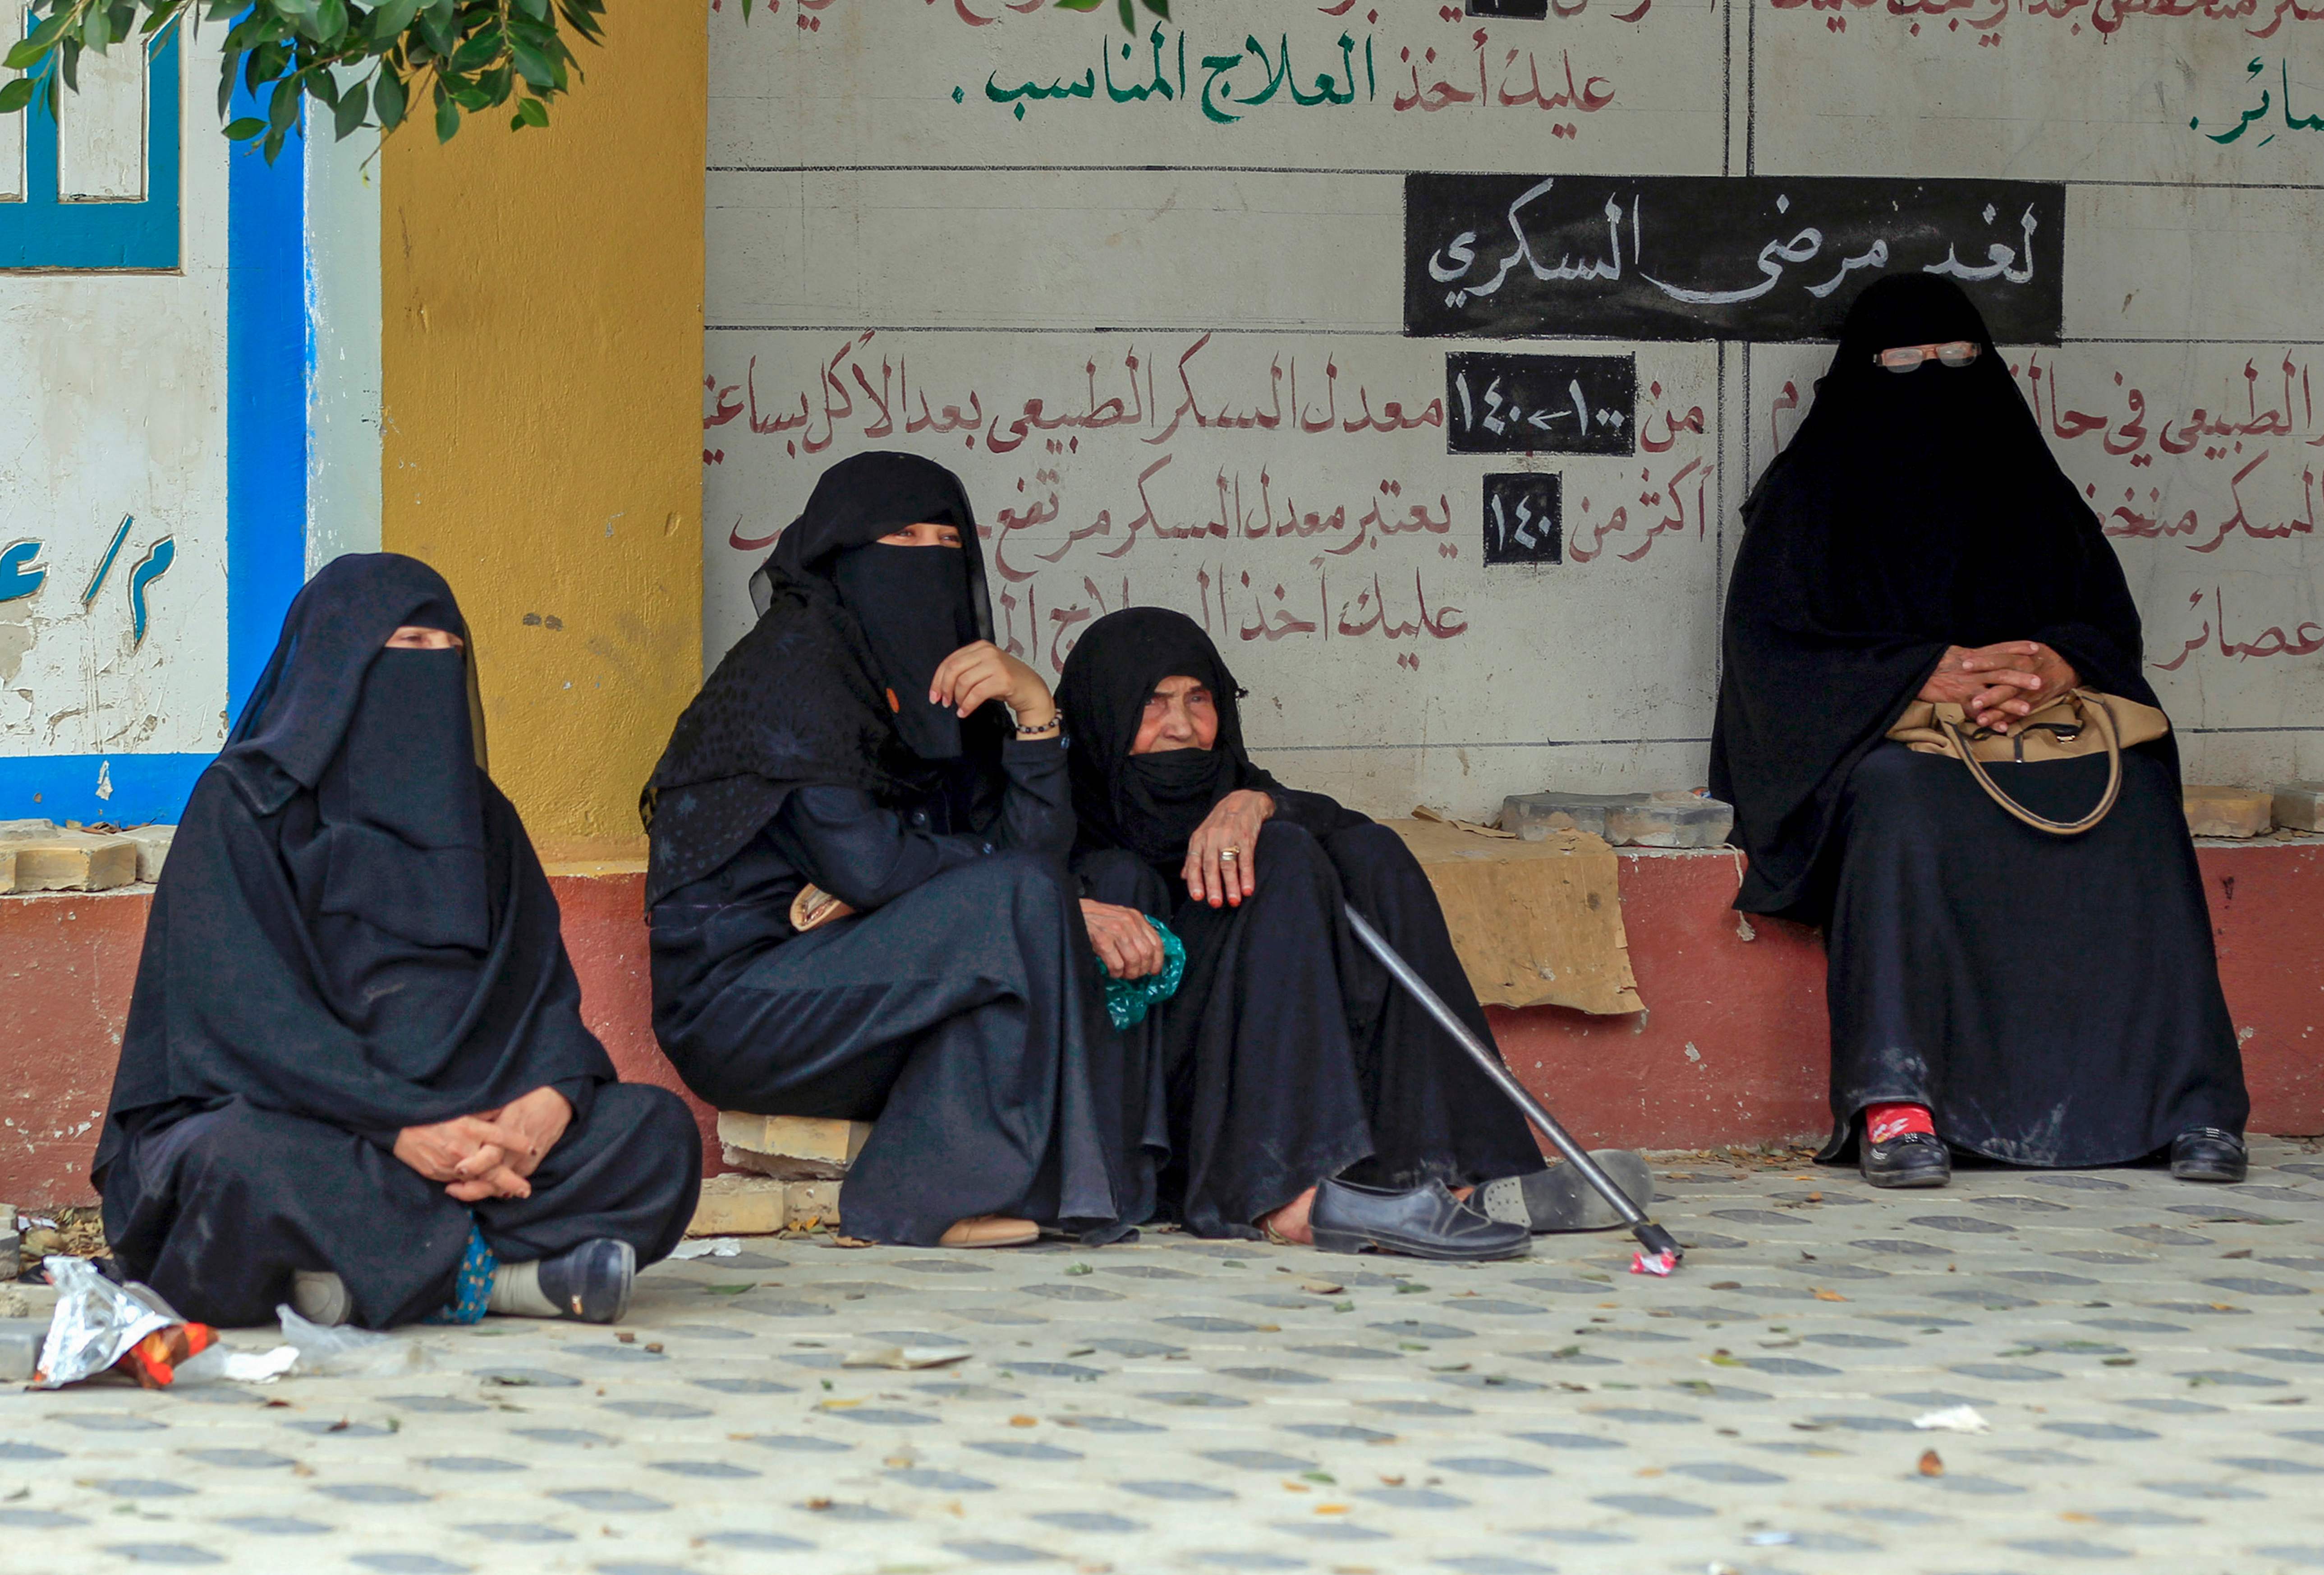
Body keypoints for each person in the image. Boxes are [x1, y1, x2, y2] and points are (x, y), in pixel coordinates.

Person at [1710, 274, 2250, 1190]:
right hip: (1899, 750)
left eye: (1960, 360)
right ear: (1860, 374)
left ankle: (2189, 1106)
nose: (1937, 378)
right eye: (1907, 363)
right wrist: (1921, 672)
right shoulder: (1812, 495)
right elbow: (1771, 654)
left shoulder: (2029, 488)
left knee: (2144, 792)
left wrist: (2052, 666)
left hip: (2040, 737)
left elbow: (2107, 624)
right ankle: (1897, 1104)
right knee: (1899, 798)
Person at [97, 554, 701, 1330]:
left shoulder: (483, 818)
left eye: (445, 649)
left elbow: (542, 994)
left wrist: (546, 1105)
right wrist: (396, 1127)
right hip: (306, 1122)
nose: (428, 668)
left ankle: (348, 1278)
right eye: (402, 646)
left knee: (656, 1136)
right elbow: (246, 1023)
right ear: (332, 666)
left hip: (471, 1135)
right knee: (235, 1165)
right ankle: (496, 1279)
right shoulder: (244, 807)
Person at [642, 452, 1150, 1249]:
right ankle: (936, 1199)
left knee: (1104, 879)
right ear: (839, 554)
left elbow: (1035, 856)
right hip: (749, 1008)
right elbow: (874, 867)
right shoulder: (792, 675)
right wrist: (969, 883)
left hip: (869, 983)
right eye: (901, 537)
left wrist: (1035, 710)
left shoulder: (940, 690)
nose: (926, 560)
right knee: (1023, 901)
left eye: (946, 542)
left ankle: (982, 1184)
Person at [1056, 607, 1653, 1260]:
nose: (1181, 727)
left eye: (1198, 700)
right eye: (1152, 703)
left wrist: (1257, 803)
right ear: (1103, 712)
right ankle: (1289, 1198)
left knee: (1370, 851)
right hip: (1158, 1108)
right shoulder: (1055, 808)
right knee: (1283, 858)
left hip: (1256, 1064)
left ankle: (1449, 1172)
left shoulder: (1232, 787)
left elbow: (1340, 826)